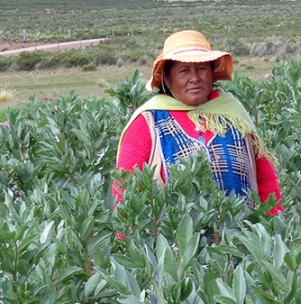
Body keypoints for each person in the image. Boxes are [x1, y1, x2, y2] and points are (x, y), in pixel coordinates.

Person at [113, 30, 282, 215]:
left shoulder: (233, 115)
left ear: (212, 73)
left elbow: (266, 182)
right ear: (167, 79)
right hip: (174, 233)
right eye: (184, 71)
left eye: (201, 68)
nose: (194, 78)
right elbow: (124, 191)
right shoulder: (148, 121)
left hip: (240, 230)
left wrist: (274, 223)